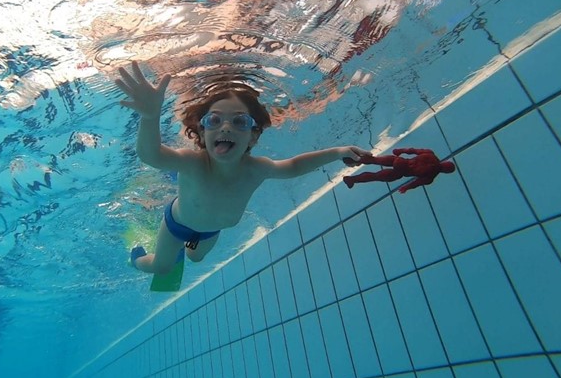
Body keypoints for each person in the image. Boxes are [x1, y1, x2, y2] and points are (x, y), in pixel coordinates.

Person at [115, 61, 371, 275]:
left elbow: (293, 166)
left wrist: (338, 152)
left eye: (240, 121)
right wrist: (150, 117)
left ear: (253, 136)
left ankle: (184, 248)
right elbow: (152, 156)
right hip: (176, 225)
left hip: (208, 232)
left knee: (195, 258)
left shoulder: (256, 168)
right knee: (162, 267)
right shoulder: (192, 162)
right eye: (214, 120)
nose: (225, 127)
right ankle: (136, 258)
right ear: (202, 133)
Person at [342, 147, 456, 193]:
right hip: (400, 172)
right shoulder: (430, 177)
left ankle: (355, 159)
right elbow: (416, 183)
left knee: (374, 160)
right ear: (445, 172)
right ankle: (351, 179)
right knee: (375, 176)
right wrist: (406, 188)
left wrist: (400, 151)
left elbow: (413, 150)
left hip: (399, 161)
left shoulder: (430, 154)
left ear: (444, 162)